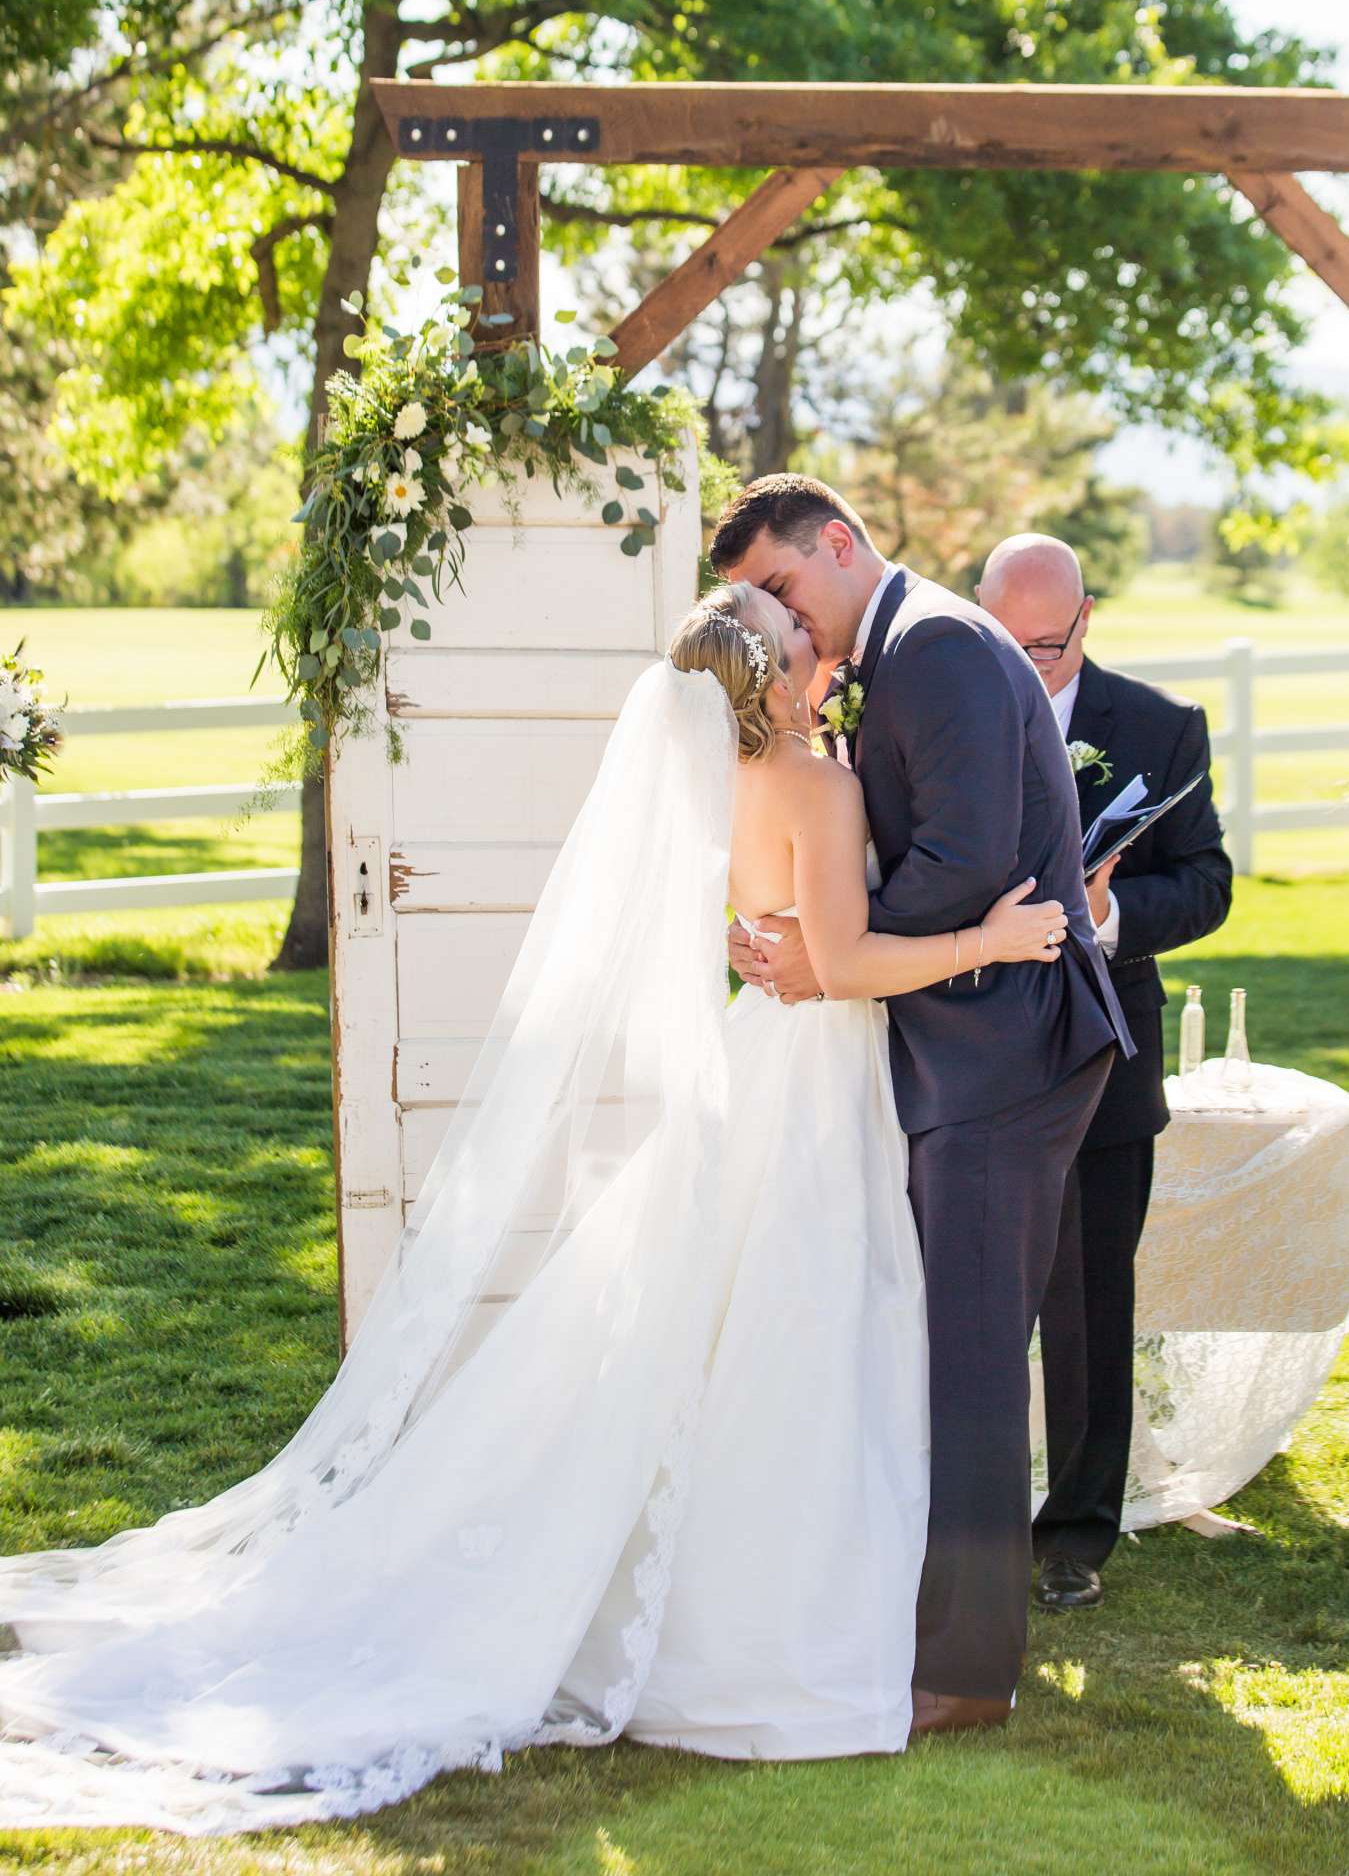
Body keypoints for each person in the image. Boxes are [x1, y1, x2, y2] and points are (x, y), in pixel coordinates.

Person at [0, 587, 1068, 1832]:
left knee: (752, 1338)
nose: (820, 660)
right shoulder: (821, 791)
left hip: (766, 1062)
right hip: (813, 1086)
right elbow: (841, 964)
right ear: (759, 687)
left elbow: (765, 936)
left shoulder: (725, 788)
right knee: (809, 1336)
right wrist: (987, 937)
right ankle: (781, 1629)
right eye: (795, 654)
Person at [718, 477, 1131, 1734]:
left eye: (784, 588)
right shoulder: (894, 651)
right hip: (959, 1044)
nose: (787, 623)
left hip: (1006, 1054)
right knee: (942, 1347)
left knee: (966, 1362)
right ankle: (928, 1627)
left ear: (838, 545)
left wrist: (824, 950)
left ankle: (960, 1674)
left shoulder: (940, 645)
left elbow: (962, 859)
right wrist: (825, 939)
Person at [975, 533, 1234, 1614]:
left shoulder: (1161, 728)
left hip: (1104, 1051)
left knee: (1088, 1305)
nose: (1028, 661)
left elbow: (1207, 884)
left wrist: (1112, 915)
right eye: (1007, 638)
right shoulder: (942, 704)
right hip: (967, 1048)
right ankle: (961, 1525)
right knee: (970, 1298)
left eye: (1049, 640)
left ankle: (1076, 1533)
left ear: (1088, 617)